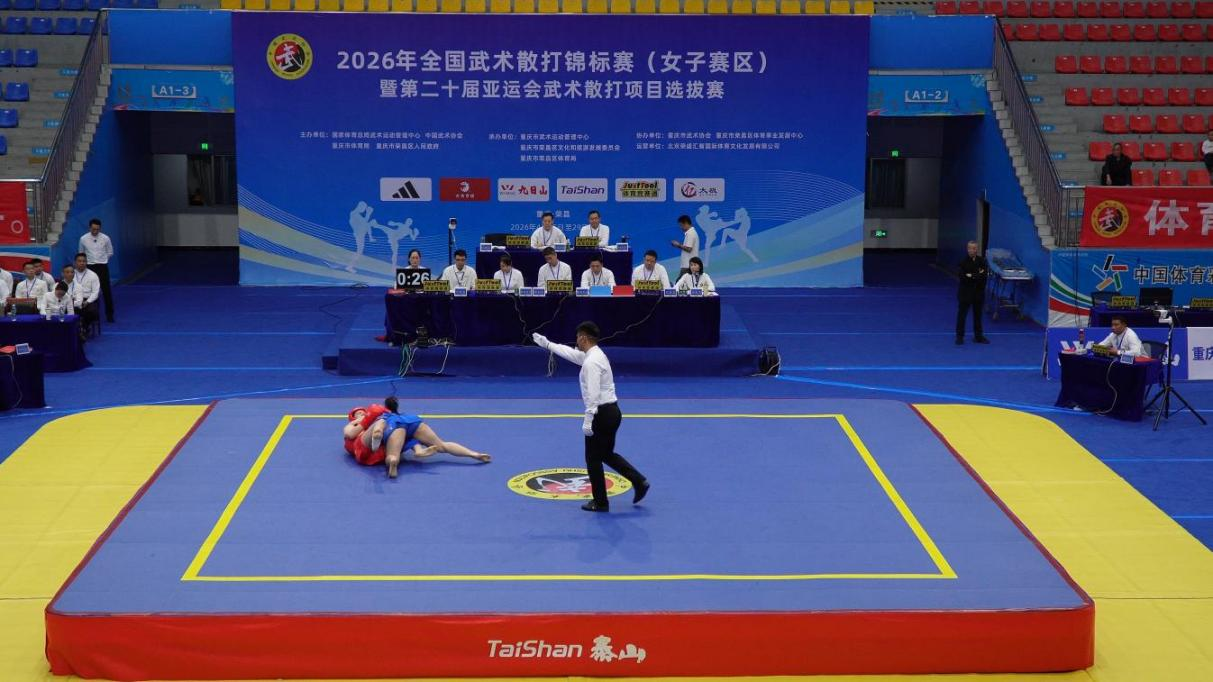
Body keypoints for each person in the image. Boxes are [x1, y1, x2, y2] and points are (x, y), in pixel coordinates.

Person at [532, 322, 649, 512]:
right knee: (606, 454)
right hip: (612, 412)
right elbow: (572, 354)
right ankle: (639, 481)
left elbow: (593, 395)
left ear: (584, 338)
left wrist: (588, 419)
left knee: (592, 458)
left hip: (600, 414)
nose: (576, 341)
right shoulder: (596, 355)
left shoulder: (591, 363)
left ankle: (601, 502)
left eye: (578, 337)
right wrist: (548, 344)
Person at [343, 397, 490, 478]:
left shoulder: (381, 416)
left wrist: (374, 418)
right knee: (440, 444)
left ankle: (474, 454)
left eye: (362, 412)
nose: (361, 414)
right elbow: (350, 433)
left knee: (393, 445)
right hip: (403, 423)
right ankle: (473, 454)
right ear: (352, 418)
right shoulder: (353, 427)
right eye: (357, 414)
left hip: (393, 428)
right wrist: (364, 419)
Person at [79, 218, 115, 323]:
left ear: (100, 228)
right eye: (93, 229)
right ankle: (91, 314)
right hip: (90, 267)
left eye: (97, 229)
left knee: (106, 290)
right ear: (89, 228)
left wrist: (103, 260)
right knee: (90, 291)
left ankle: (110, 314)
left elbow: (110, 252)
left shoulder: (105, 238)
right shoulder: (83, 239)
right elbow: (81, 253)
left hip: (102, 266)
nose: (95, 231)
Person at [956, 240, 990, 345]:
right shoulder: (963, 262)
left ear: (977, 249)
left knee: (978, 315)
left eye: (974, 248)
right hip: (965, 293)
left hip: (978, 293)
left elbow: (984, 276)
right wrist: (976, 275)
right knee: (962, 315)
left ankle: (978, 336)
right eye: (970, 248)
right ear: (967, 249)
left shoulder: (982, 261)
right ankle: (959, 337)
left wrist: (971, 275)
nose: (972, 250)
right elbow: (962, 277)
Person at [69, 253, 101, 326]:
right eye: (79, 261)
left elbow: (95, 292)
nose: (82, 263)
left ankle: (84, 328)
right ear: (75, 262)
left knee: (91, 312)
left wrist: (87, 301)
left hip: (87, 300)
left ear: (86, 262)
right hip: (73, 300)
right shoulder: (70, 274)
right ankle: (75, 328)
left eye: (84, 261)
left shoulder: (93, 275)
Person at [670, 214, 700, 280]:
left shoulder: (690, 233)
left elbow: (689, 249)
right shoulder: (691, 233)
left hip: (688, 266)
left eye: (681, 225)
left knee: (679, 283)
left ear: (686, 223)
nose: (681, 227)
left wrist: (678, 245)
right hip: (689, 265)